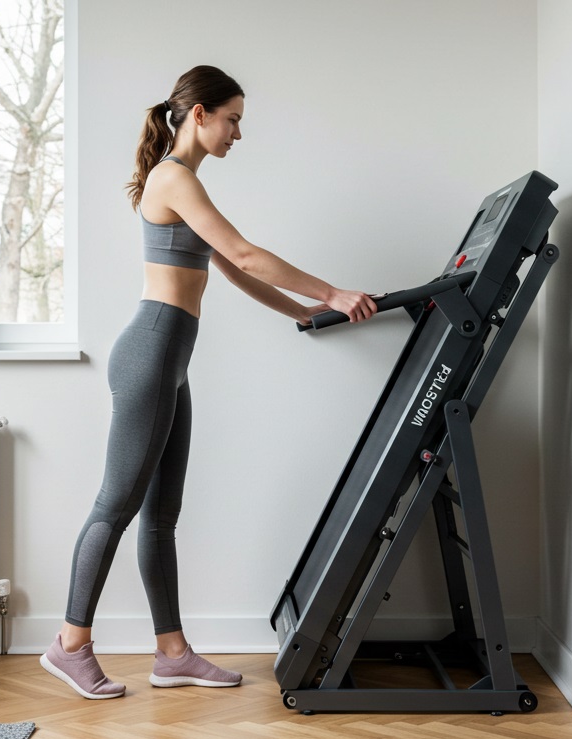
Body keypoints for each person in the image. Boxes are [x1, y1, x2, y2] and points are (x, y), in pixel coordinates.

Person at [40, 65, 377, 699]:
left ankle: (171, 654)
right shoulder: (173, 177)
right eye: (233, 119)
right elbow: (248, 253)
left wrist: (307, 311)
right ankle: (69, 644)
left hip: (169, 357)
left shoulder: (183, 182)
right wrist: (332, 289)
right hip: (150, 352)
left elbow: (233, 270)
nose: (238, 133)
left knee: (161, 515)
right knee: (116, 505)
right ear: (200, 115)